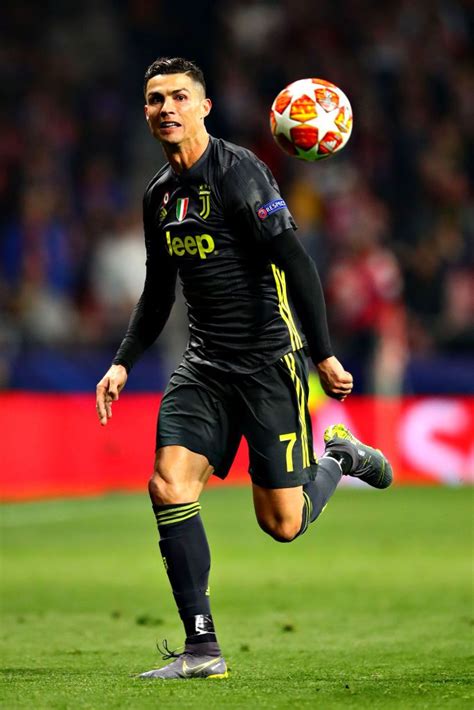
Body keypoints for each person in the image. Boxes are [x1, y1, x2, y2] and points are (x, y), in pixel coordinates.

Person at [95, 57, 393, 680]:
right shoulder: (159, 196)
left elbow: (296, 262)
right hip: (204, 366)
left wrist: (324, 353)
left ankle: (336, 457)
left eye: (179, 96)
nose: (166, 108)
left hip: (267, 364)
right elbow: (157, 294)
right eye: (155, 100)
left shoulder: (240, 174)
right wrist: (122, 362)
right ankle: (202, 648)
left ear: (204, 106)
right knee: (167, 485)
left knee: (281, 523)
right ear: (146, 112)